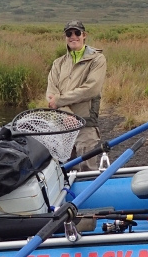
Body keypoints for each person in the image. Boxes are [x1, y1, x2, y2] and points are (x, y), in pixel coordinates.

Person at [46, 20, 107, 170]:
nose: (73, 37)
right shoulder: (58, 63)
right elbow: (51, 93)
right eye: (69, 34)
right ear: (65, 37)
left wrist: (60, 100)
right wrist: (66, 114)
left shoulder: (97, 59)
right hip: (63, 123)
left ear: (84, 35)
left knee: (87, 169)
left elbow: (91, 89)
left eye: (77, 33)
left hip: (86, 123)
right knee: (63, 170)